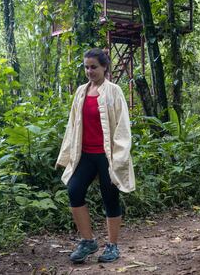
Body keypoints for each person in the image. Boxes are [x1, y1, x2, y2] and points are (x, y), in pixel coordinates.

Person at [55, 48, 135, 263]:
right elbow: (73, 125)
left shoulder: (114, 91)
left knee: (110, 197)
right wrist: (68, 155)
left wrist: (117, 160)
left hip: (106, 156)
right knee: (74, 190)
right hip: (85, 155)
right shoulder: (81, 91)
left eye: (94, 67)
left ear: (104, 67)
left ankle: (112, 246)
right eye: (86, 67)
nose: (90, 71)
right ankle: (88, 241)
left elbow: (122, 126)